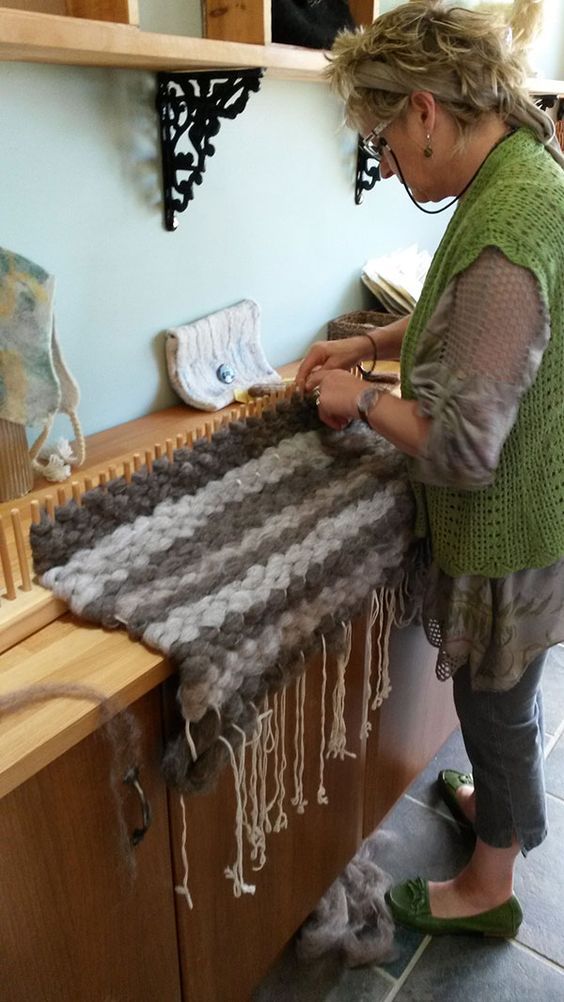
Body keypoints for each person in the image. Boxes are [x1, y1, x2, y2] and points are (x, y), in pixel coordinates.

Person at [296, 0, 564, 939]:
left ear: (424, 110)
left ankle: (492, 886)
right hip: (532, 500)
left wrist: (359, 401)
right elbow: (464, 314)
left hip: (513, 523)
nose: (391, 166)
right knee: (502, 696)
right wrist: (369, 340)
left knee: (496, 699)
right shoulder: (512, 175)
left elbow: (462, 444)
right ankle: (501, 813)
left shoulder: (507, 220)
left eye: (386, 143)